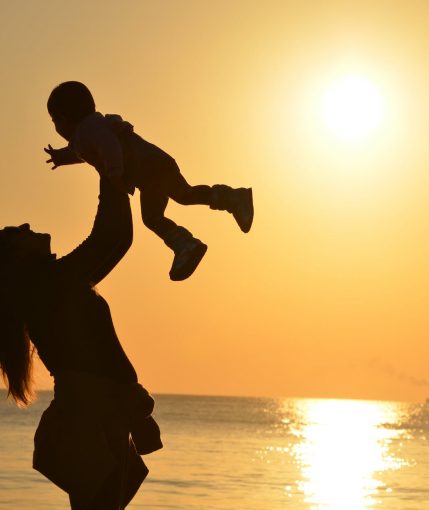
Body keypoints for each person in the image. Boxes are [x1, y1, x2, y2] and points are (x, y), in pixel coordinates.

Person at [0, 177, 162, 509]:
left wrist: (115, 178)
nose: (29, 225)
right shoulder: (50, 284)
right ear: (15, 258)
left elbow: (116, 242)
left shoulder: (57, 283)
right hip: (88, 415)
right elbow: (109, 240)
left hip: (100, 412)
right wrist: (110, 172)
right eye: (20, 232)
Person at [44, 81, 254, 281]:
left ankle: (189, 241)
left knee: (161, 211)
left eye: (54, 122)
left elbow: (108, 145)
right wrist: (61, 158)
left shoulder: (88, 130)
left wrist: (115, 173)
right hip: (153, 167)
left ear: (63, 119)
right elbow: (81, 152)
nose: (56, 128)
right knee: (180, 198)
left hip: (149, 167)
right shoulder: (91, 130)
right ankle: (223, 207)